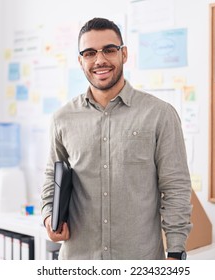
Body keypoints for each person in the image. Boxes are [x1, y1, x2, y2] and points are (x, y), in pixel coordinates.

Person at [41, 17, 192, 260]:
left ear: (124, 54)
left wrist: (175, 252)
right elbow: (51, 177)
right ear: (81, 61)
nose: (100, 60)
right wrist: (49, 215)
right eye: (90, 53)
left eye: (109, 50)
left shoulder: (159, 114)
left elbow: (175, 188)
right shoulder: (63, 118)